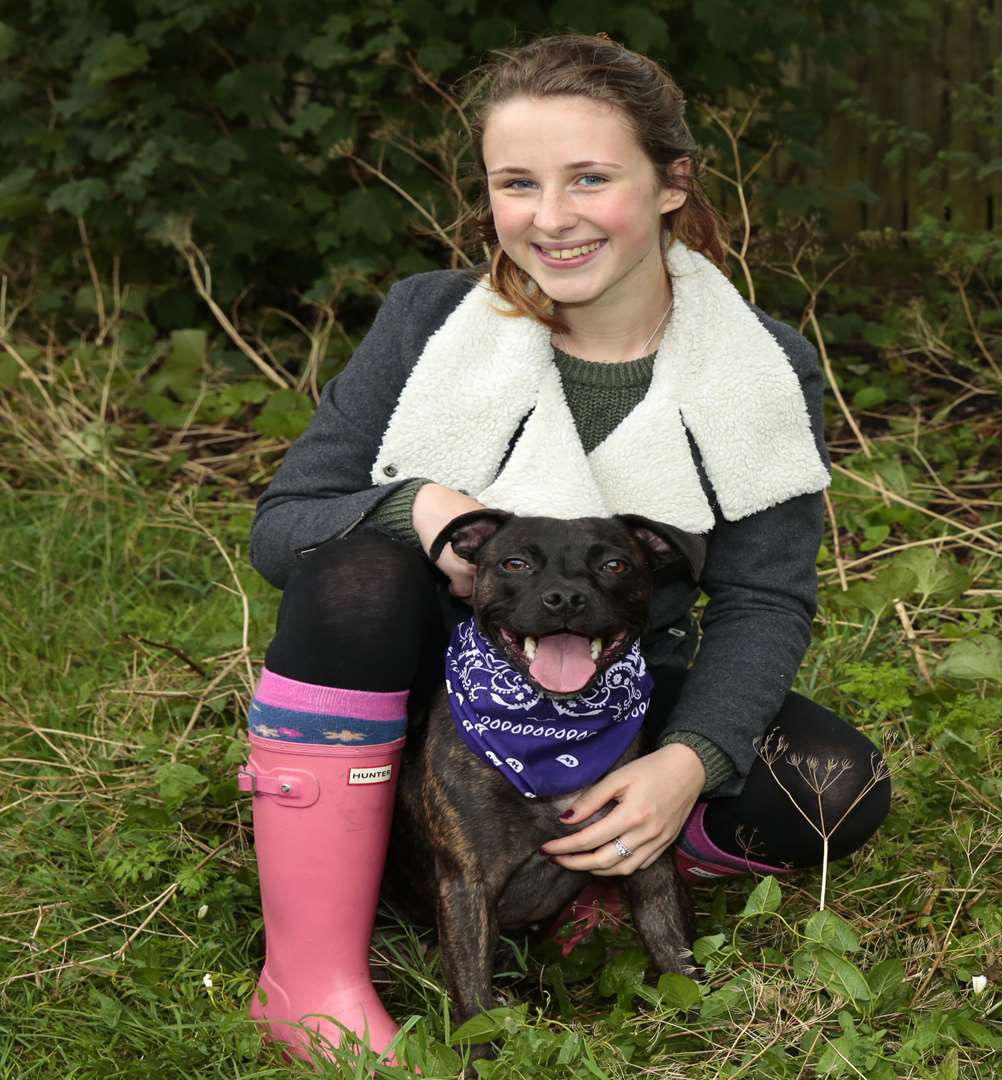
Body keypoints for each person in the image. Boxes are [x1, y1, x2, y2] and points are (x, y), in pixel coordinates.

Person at [238, 32, 890, 1063]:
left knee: (829, 783)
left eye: (591, 177)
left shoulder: (759, 366)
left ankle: (588, 879)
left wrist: (687, 762)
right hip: (426, 692)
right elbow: (283, 528)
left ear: (673, 182)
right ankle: (310, 972)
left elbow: (764, 600)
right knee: (355, 576)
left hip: (615, 693)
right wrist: (419, 507)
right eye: (517, 183)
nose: (551, 218)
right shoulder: (432, 319)